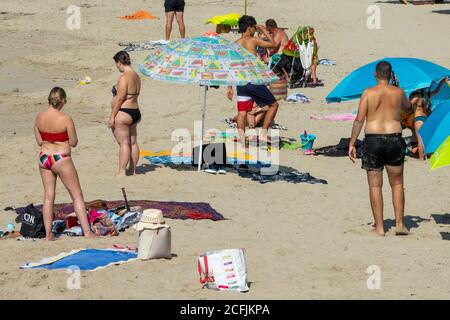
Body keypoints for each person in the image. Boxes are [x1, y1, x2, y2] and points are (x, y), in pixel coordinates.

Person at [348, 61, 412, 237]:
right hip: (394, 138)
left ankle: (380, 227)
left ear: (375, 74)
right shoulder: (398, 92)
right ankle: (399, 224)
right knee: (397, 183)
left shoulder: (368, 93)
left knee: (375, 186)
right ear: (391, 75)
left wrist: (352, 143)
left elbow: (359, 119)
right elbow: (408, 109)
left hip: (373, 140)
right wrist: (399, 90)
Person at [34, 88, 97, 240]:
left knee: (49, 197)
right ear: (62, 101)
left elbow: (39, 141)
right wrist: (61, 140)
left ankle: (49, 234)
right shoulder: (65, 118)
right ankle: (88, 232)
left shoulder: (39, 117)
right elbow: (74, 142)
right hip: (61, 158)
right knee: (77, 196)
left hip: (44, 157)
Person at [226, 15, 279, 145]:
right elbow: (273, 45)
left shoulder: (235, 44)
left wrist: (229, 87)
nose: (255, 30)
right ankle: (263, 134)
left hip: (241, 82)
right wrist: (264, 30)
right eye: (254, 28)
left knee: (242, 112)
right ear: (249, 28)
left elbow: (230, 66)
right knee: (274, 105)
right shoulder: (252, 40)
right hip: (253, 80)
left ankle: (242, 140)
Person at [109, 51, 142, 176]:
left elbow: (120, 98)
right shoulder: (136, 76)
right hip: (135, 111)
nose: (116, 67)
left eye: (116, 64)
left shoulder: (124, 77)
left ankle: (122, 171)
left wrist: (112, 116)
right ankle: (133, 170)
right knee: (133, 142)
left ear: (119, 62)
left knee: (124, 143)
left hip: (124, 112)